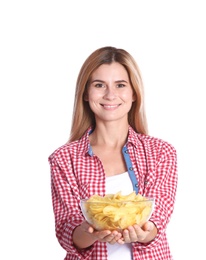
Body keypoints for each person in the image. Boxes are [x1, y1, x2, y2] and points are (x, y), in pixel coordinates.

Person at [48, 46, 178, 260]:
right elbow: (66, 230)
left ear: (134, 93)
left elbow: (159, 217)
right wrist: (91, 232)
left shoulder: (161, 153)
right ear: (86, 94)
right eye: (99, 85)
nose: (110, 95)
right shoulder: (64, 158)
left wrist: (145, 233)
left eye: (120, 85)